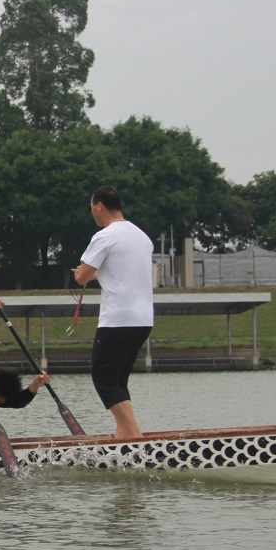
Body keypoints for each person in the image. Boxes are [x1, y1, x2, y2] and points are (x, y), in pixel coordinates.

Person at [73, 184, 153, 441]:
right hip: (143, 319)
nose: (92, 213)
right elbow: (119, 271)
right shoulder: (141, 236)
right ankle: (126, 432)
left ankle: (133, 435)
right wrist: (97, 272)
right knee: (118, 379)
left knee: (104, 378)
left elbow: (82, 277)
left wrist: (80, 273)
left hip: (117, 320)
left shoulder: (105, 236)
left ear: (99, 205)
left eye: (92, 208)